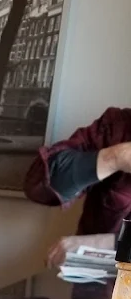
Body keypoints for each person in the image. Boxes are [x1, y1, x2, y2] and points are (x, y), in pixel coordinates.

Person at [24, 107, 131, 267]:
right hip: (96, 284)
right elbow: (40, 186)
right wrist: (114, 158)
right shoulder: (117, 127)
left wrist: (103, 243)